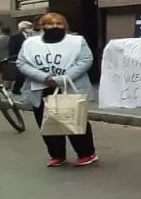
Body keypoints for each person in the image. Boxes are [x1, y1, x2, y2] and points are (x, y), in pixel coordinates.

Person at [16, 12, 98, 167]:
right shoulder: (30, 43)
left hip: (69, 86)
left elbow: (85, 60)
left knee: (74, 119)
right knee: (46, 122)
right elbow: (22, 63)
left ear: (65, 26)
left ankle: (86, 153)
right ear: (42, 26)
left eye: (59, 24)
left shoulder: (76, 41)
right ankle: (57, 155)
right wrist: (44, 78)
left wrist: (60, 79)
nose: (54, 27)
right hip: (41, 87)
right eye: (50, 24)